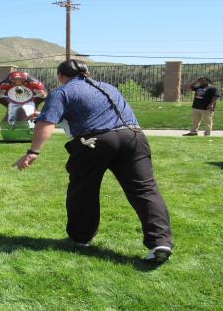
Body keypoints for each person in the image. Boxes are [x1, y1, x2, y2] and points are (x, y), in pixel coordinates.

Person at [13, 59, 174, 263]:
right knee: (145, 190)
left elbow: (47, 122)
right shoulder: (108, 88)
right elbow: (93, 112)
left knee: (84, 191)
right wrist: (45, 115)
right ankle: (161, 242)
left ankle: (81, 238)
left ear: (61, 76)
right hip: (134, 138)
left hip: (95, 142)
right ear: (87, 72)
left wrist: (33, 151)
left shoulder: (62, 91)